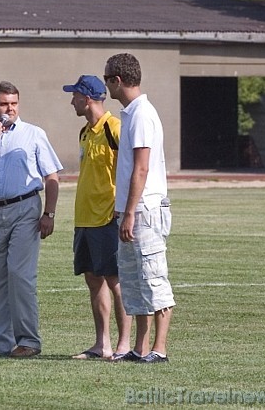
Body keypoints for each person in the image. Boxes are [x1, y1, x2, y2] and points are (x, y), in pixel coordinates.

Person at [0, 81, 63, 358]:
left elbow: (51, 177)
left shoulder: (33, 134)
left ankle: (29, 341)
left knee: (20, 275)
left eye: (14, 103)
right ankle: (1, 343)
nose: (10, 109)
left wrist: (49, 213)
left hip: (25, 208)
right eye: (4, 104)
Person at [104, 53, 175, 364]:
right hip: (131, 209)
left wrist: (130, 211)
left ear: (118, 80)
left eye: (107, 78)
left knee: (153, 276)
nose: (106, 84)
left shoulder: (143, 114)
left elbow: (142, 169)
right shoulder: (130, 113)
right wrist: (121, 210)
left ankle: (159, 349)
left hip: (145, 208)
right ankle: (140, 348)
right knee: (134, 281)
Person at [62, 75, 132, 361]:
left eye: (75, 96)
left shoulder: (114, 128)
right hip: (84, 218)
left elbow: (129, 171)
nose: (71, 101)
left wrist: (123, 210)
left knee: (115, 281)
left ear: (87, 98)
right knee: (93, 280)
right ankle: (101, 344)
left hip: (107, 217)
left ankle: (124, 344)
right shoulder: (84, 132)